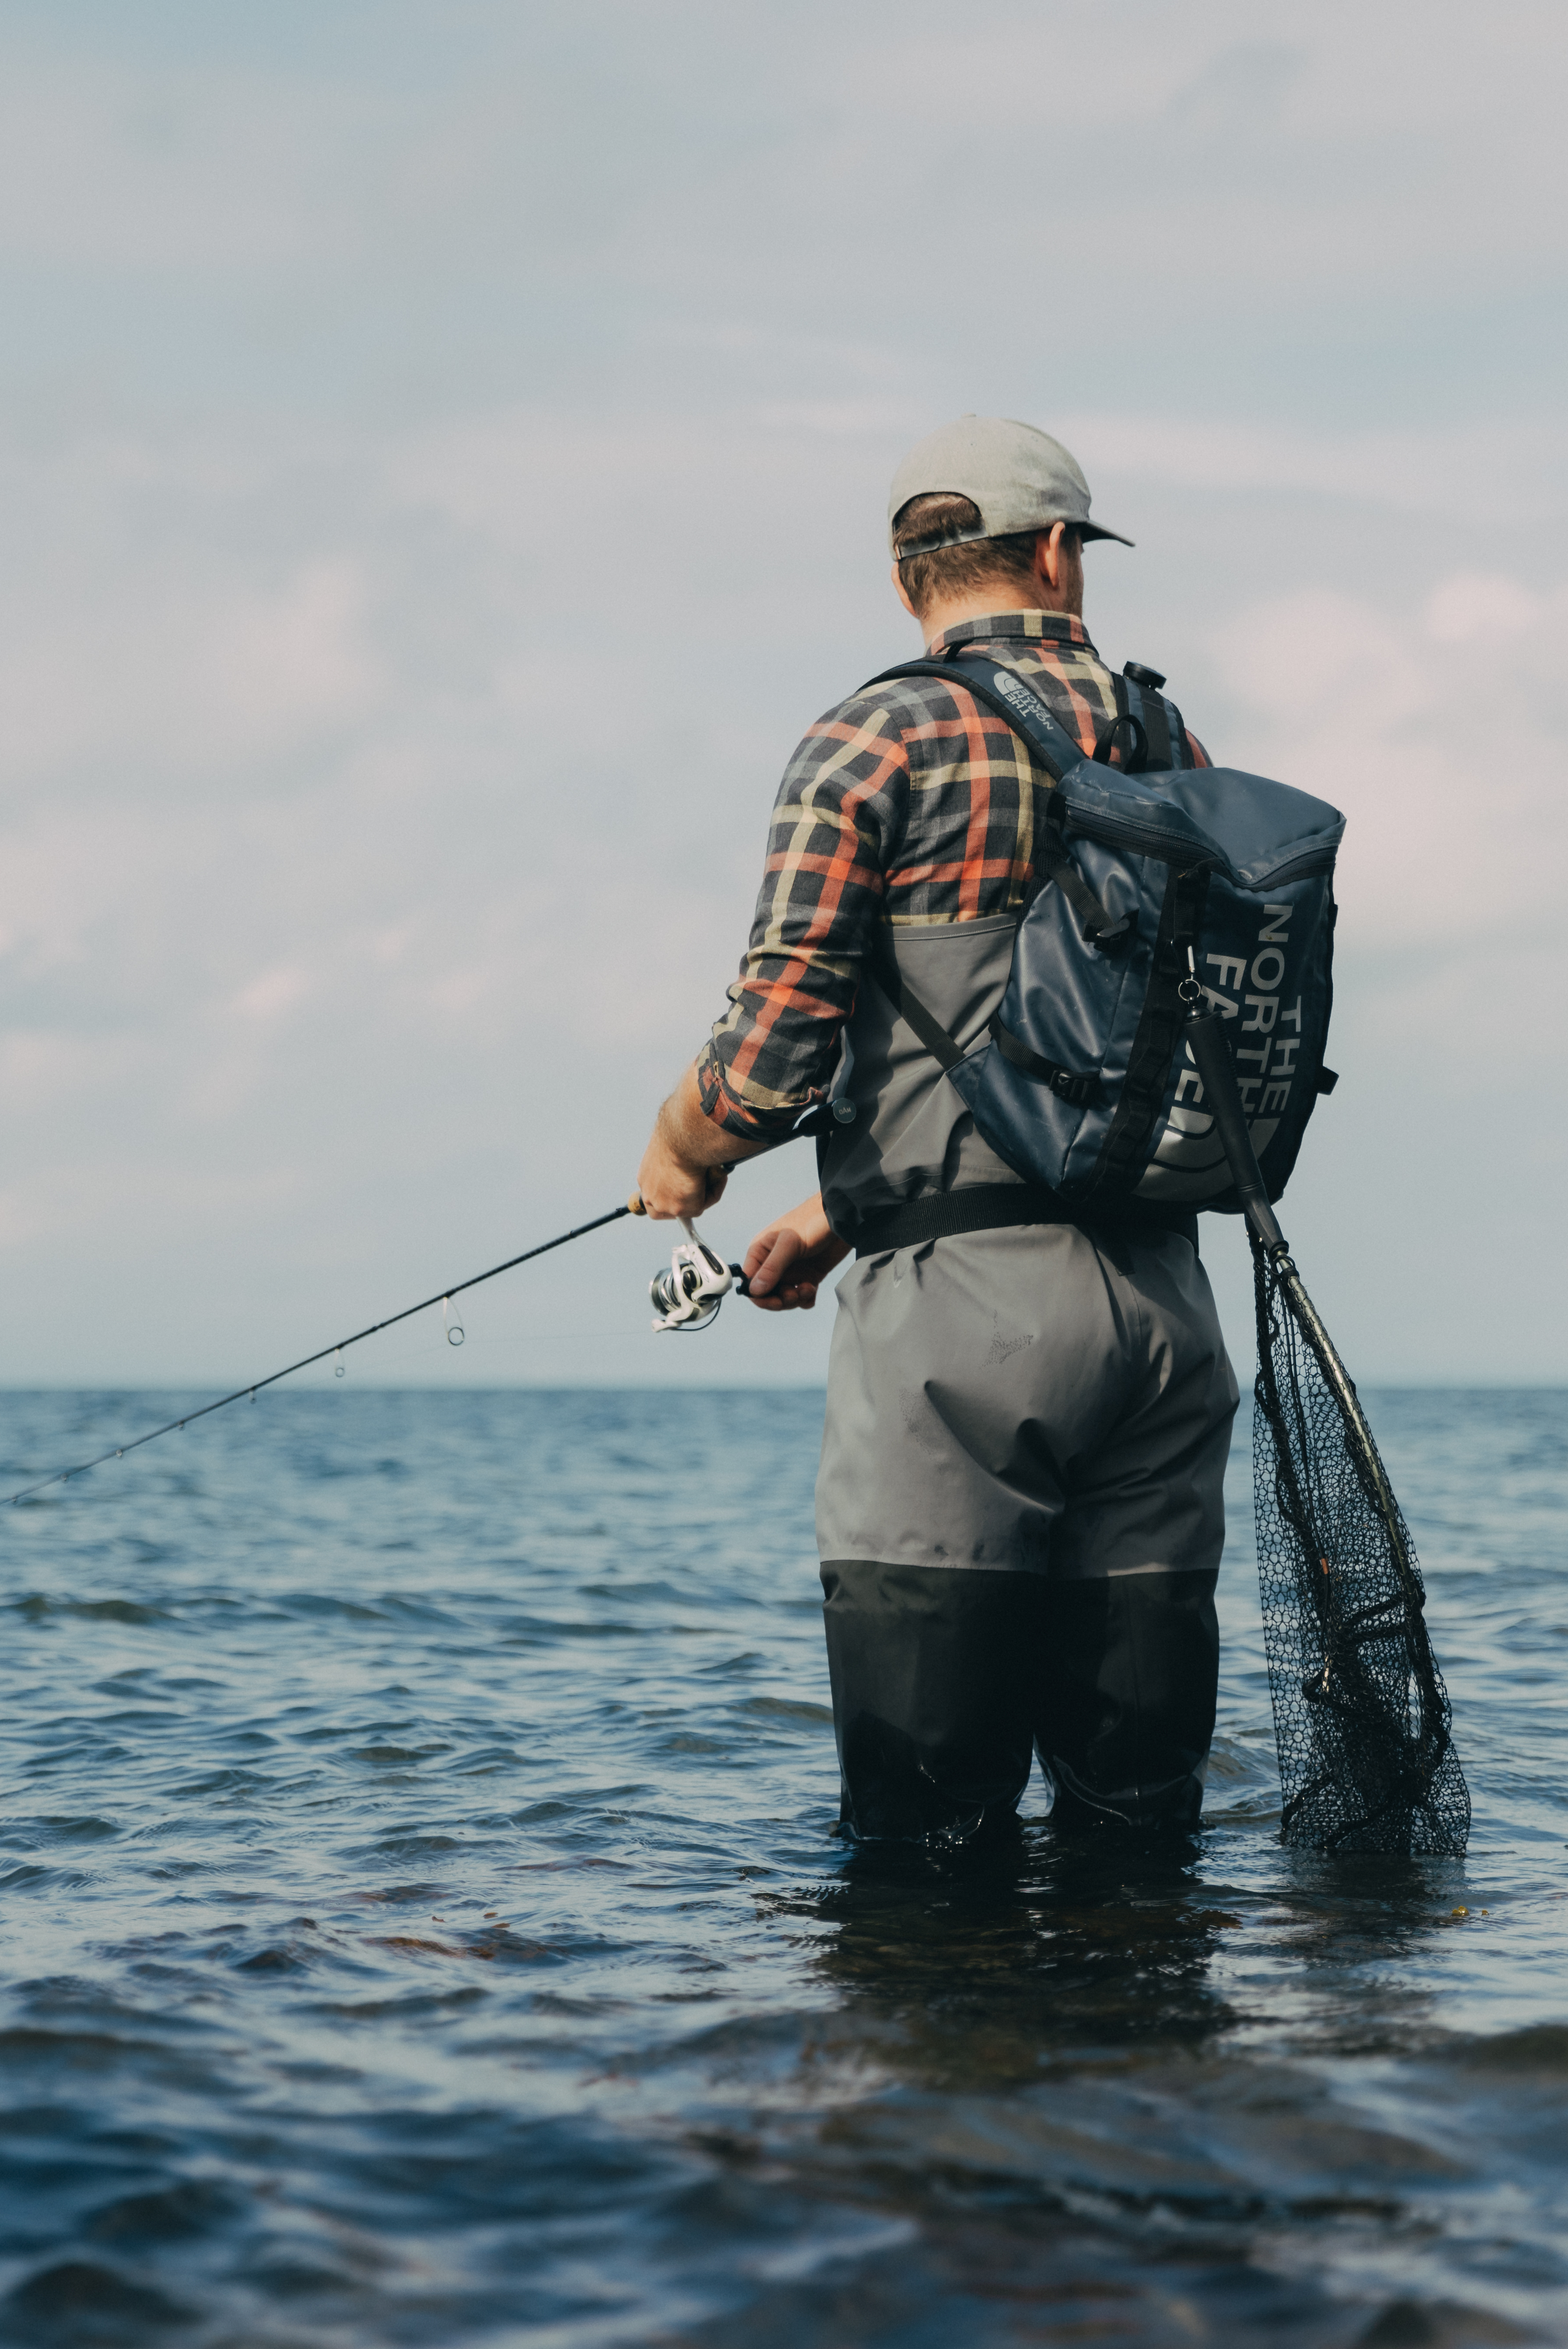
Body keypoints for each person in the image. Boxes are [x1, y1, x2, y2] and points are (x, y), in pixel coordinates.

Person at [631, 417, 1240, 1851]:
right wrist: (840, 1212)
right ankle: (1146, 2071)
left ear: (910, 579)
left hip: (957, 1333)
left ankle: (943, 2063)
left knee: (928, 1826)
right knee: (1138, 1825)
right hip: (1164, 1309)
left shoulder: (877, 733)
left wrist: (683, 1152)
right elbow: (1106, 1040)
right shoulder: (1178, 747)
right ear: (1054, 553)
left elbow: (777, 1047)